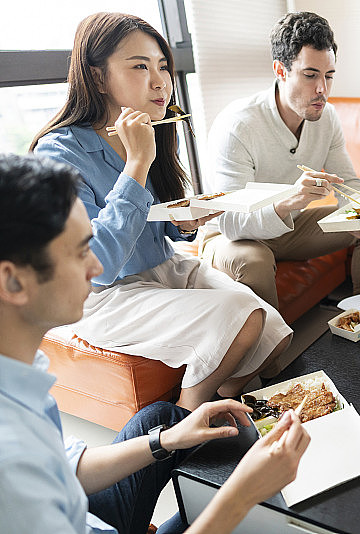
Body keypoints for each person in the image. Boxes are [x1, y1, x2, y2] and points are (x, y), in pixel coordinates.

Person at [0, 153, 310, 534]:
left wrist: (165, 441)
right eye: (83, 251)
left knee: (159, 420)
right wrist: (242, 495)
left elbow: (63, 470)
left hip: (81, 509)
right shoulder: (8, 461)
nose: (97, 269)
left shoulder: (19, 374)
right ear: (13, 282)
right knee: (259, 511)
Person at [31, 12, 294, 410]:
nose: (160, 82)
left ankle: (225, 400)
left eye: (163, 67)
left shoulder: (148, 127)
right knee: (242, 314)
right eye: (140, 66)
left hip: (164, 269)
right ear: (98, 77)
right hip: (105, 294)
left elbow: (160, 225)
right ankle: (184, 423)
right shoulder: (58, 152)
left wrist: (184, 223)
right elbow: (96, 262)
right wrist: (137, 164)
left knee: (275, 331)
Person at [200, 11, 360, 310]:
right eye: (310, 75)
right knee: (255, 260)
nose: (322, 90)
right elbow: (231, 223)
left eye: (329, 76)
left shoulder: (326, 117)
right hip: (230, 238)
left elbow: (348, 183)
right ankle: (274, 355)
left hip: (289, 228)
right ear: (280, 70)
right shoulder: (237, 125)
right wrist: (289, 202)